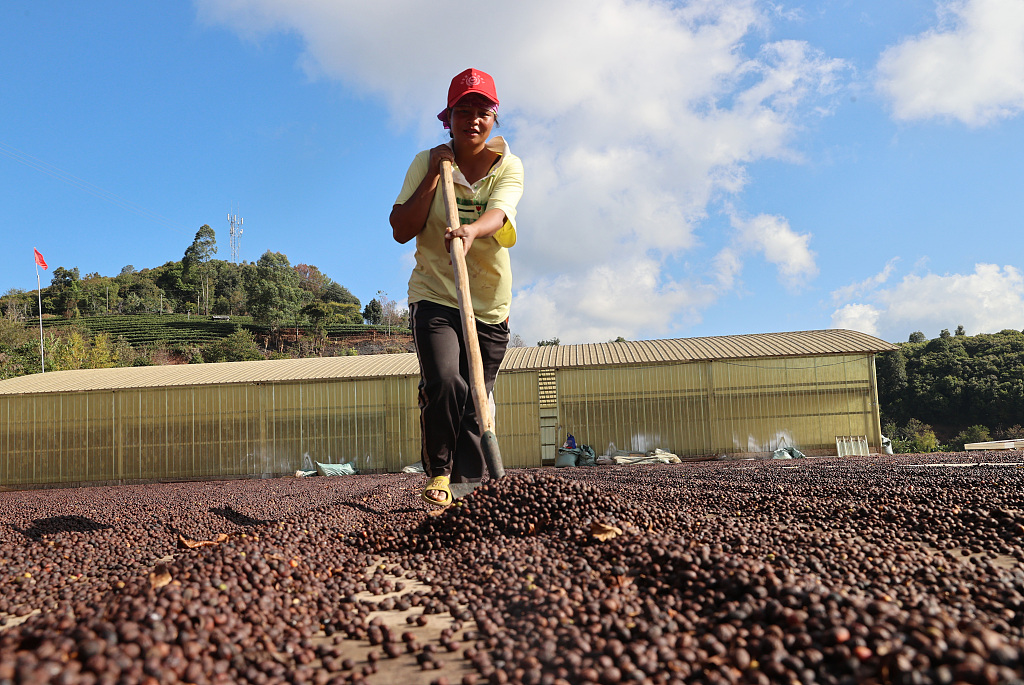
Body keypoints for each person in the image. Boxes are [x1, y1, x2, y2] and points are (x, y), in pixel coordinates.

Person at [390, 68, 524, 506]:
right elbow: (401, 228)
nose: (472, 119)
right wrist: (433, 173)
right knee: (446, 381)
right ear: (447, 118)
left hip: (488, 302)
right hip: (434, 292)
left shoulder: (509, 165)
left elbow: (500, 215)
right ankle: (441, 473)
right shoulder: (425, 162)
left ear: (494, 117)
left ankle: (471, 490)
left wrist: (470, 231)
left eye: (482, 111)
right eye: (462, 111)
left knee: (476, 397)